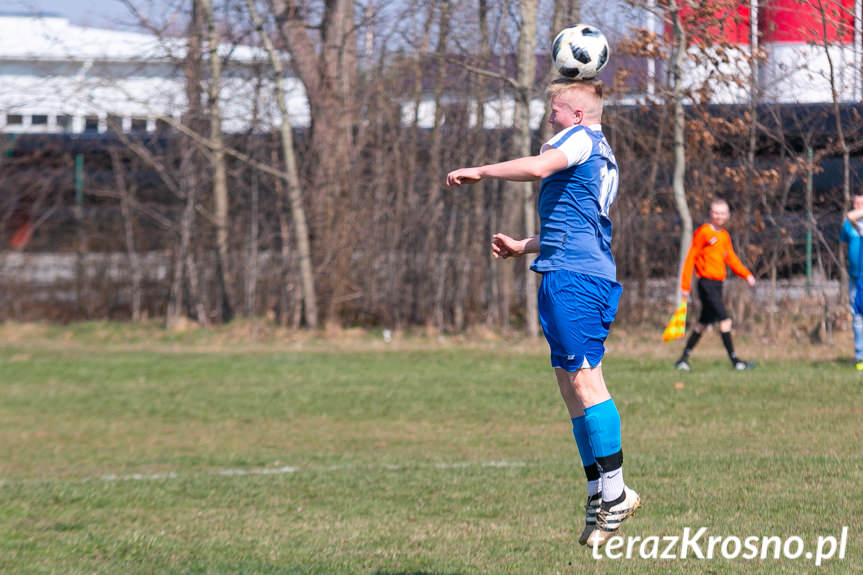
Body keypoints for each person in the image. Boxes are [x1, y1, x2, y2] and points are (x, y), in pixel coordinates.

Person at [446, 78, 639, 549]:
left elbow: (537, 167)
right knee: (568, 381)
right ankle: (599, 489)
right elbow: (575, 224)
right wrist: (522, 246)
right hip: (566, 269)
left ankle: (617, 492)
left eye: (554, 109)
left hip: (577, 278)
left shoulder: (579, 138)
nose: (548, 117)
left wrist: (483, 170)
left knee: (585, 380)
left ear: (576, 114)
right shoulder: (591, 147)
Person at [674, 199, 757, 371]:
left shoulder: (724, 236)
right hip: (706, 284)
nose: (719, 216)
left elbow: (731, 258)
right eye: (716, 213)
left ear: (727, 215)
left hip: (718, 284)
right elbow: (691, 257)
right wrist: (685, 284)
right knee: (725, 320)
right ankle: (736, 362)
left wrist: (746, 274)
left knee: (702, 324)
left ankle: (682, 360)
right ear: (711, 214)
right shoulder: (704, 232)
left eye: (722, 213)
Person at [840, 193, 863, 370]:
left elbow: (851, 215)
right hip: (855, 276)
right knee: (857, 316)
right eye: (855, 202)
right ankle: (859, 356)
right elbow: (849, 217)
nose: (857, 205)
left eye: (860, 203)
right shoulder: (850, 225)